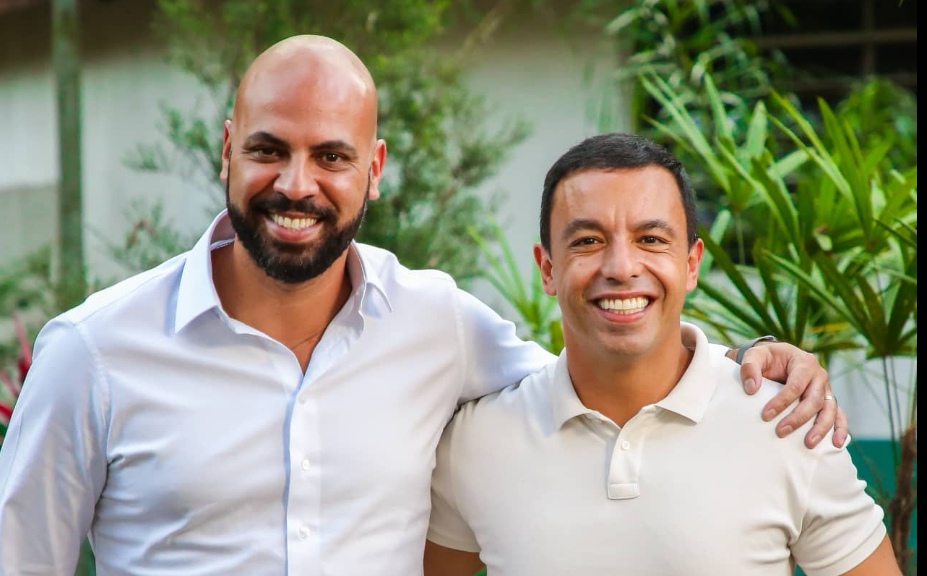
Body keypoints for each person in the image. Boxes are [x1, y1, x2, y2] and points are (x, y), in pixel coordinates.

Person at [0, 36, 843, 576]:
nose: (296, 185)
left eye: (330, 155)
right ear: (227, 150)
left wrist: (754, 360)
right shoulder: (96, 353)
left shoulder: (436, 323)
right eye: (268, 150)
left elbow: (606, 349)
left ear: (375, 168)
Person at [424, 133, 898, 576]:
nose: (622, 267)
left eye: (651, 239)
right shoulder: (474, 442)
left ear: (691, 264)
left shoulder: (787, 425)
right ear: (548, 269)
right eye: (588, 241)